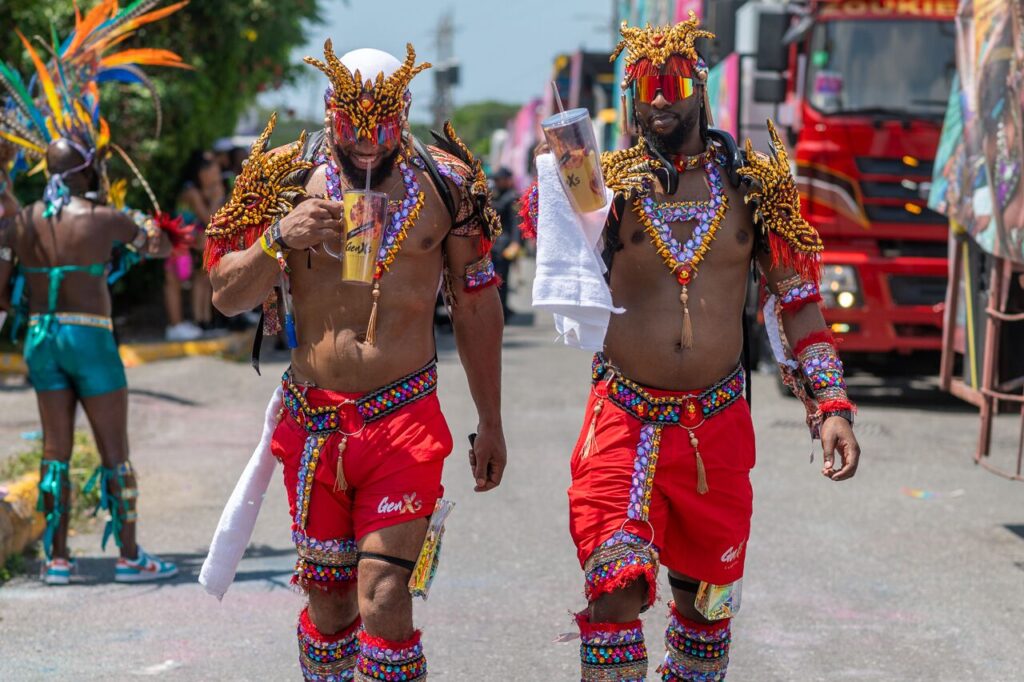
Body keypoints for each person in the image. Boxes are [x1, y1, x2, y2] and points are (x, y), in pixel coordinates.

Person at [524, 16, 861, 680]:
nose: (658, 98)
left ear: (700, 89)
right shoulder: (606, 184)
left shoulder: (755, 187)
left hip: (717, 433)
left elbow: (796, 299)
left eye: (673, 83)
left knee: (706, 618)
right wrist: (565, 185)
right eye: (644, 85)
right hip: (623, 424)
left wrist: (831, 404)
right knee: (614, 593)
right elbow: (551, 244)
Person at [205, 43, 507, 680]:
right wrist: (278, 237)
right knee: (331, 604)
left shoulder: (448, 182)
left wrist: (491, 420)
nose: (368, 147)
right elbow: (226, 295)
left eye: (384, 130)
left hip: (404, 420)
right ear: (329, 111)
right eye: (353, 130)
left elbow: (476, 304)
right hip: (314, 423)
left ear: (405, 111)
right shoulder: (282, 177)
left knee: (385, 596)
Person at [0, 0, 190, 585]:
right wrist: (148, 227)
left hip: (41, 339)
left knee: (54, 451)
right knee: (114, 450)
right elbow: (160, 245)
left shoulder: (23, 220)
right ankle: (130, 556)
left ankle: (57, 559)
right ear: (86, 171)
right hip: (90, 341)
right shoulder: (105, 218)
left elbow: (5, 271)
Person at [164, 150, 225, 340]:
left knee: (202, 279)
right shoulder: (191, 192)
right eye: (213, 174)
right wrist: (216, 198)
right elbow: (209, 219)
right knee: (176, 282)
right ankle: (181, 324)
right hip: (178, 244)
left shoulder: (197, 191)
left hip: (189, 242)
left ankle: (203, 321)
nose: (215, 179)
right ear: (201, 173)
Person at [490, 167, 523, 320]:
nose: (497, 182)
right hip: (494, 245)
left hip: (504, 245)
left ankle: (501, 310)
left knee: (501, 280)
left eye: (499, 180)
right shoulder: (496, 194)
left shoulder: (512, 197)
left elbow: (516, 223)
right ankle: (499, 308)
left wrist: (515, 243)